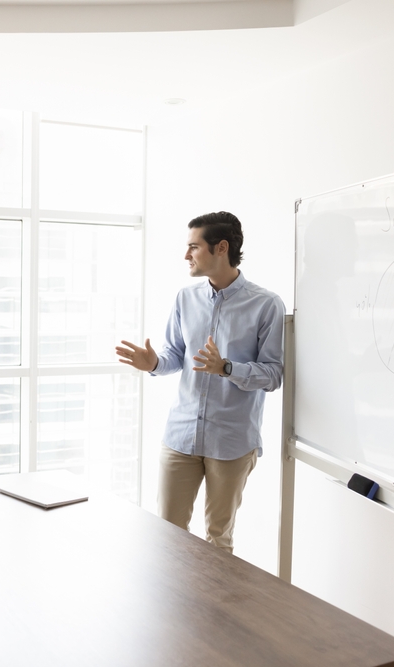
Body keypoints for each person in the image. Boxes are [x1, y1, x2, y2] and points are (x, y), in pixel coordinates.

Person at [116, 211, 284, 552]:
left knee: (217, 539)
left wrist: (227, 368)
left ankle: (209, 608)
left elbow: (273, 375)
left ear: (221, 248)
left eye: (194, 247)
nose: (186, 255)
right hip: (181, 436)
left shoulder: (266, 305)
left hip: (232, 441)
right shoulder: (185, 298)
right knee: (166, 532)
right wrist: (154, 364)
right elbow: (174, 356)